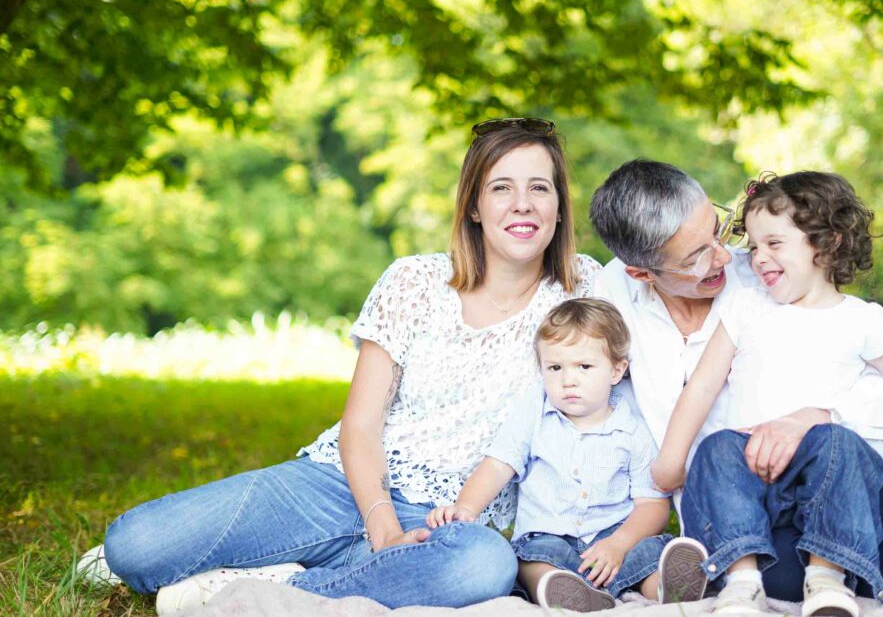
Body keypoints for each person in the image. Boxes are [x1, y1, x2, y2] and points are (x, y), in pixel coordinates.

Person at [89, 118, 603, 613]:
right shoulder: (414, 282)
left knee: (484, 566)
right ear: (472, 206)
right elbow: (360, 424)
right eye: (500, 188)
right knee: (132, 546)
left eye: (540, 188)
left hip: (449, 521)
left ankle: (277, 587)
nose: (522, 204)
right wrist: (381, 527)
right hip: (335, 485)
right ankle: (352, 569)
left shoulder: (589, 292)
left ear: (560, 208)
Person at [589, 159, 883, 610]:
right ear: (640, 272)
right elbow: (682, 387)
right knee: (769, 575)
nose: (730, 256)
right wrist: (670, 465)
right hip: (750, 500)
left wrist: (817, 419)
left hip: (839, 462)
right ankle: (857, 562)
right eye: (697, 256)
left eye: (718, 231)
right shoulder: (614, 298)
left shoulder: (779, 284)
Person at [650, 171, 883, 616]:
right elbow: (703, 385)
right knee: (715, 449)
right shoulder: (746, 307)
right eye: (753, 245)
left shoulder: (861, 320)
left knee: (836, 442)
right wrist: (672, 459)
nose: (758, 258)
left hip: (825, 473)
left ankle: (827, 578)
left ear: (827, 244)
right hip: (755, 468)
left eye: (774, 243)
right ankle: (741, 581)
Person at [426, 298, 710, 611]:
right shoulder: (535, 408)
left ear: (617, 370)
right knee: (528, 559)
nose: (568, 379)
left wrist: (619, 543)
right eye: (555, 367)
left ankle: (666, 588)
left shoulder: (633, 426)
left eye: (584, 367)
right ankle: (558, 591)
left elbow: (652, 505)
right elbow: (497, 465)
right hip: (549, 536)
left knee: (648, 552)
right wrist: (466, 507)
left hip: (612, 542)